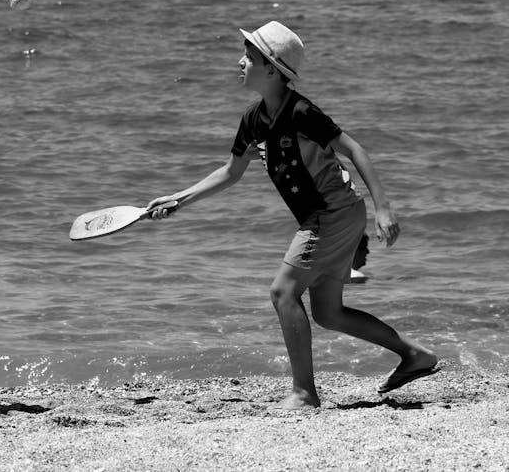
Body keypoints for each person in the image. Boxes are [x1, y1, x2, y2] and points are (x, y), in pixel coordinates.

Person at [147, 21, 438, 409]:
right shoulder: (253, 120)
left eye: (248, 57)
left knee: (283, 292)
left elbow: (356, 150)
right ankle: (415, 355)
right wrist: (178, 199)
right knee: (328, 313)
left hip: (330, 213)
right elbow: (230, 173)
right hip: (338, 214)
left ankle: (304, 393)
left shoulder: (301, 111)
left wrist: (384, 208)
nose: (240, 62)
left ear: (271, 68)